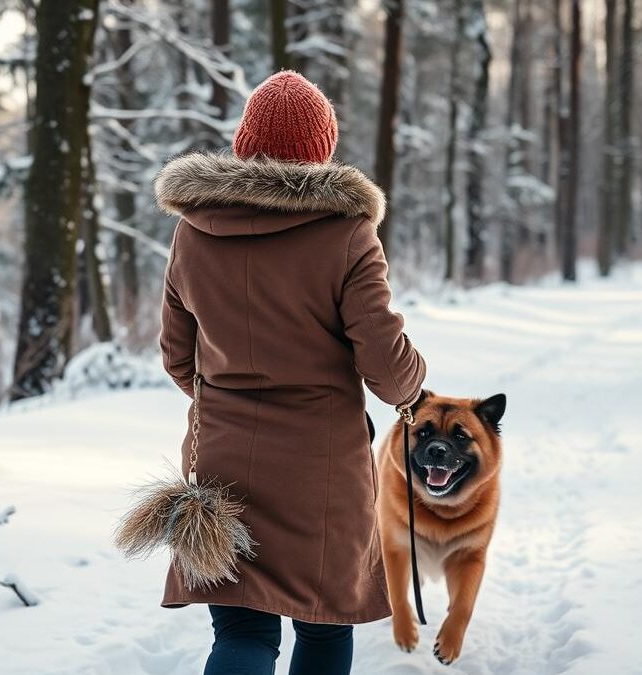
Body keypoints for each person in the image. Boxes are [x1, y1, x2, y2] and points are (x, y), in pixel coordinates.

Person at [153, 70, 427, 675]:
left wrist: (227, 396)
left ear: (243, 143)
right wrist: (414, 383)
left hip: (221, 464)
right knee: (323, 629)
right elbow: (385, 369)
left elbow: (177, 357)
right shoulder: (348, 233)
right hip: (320, 472)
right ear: (322, 150)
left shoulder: (192, 231)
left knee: (243, 634)